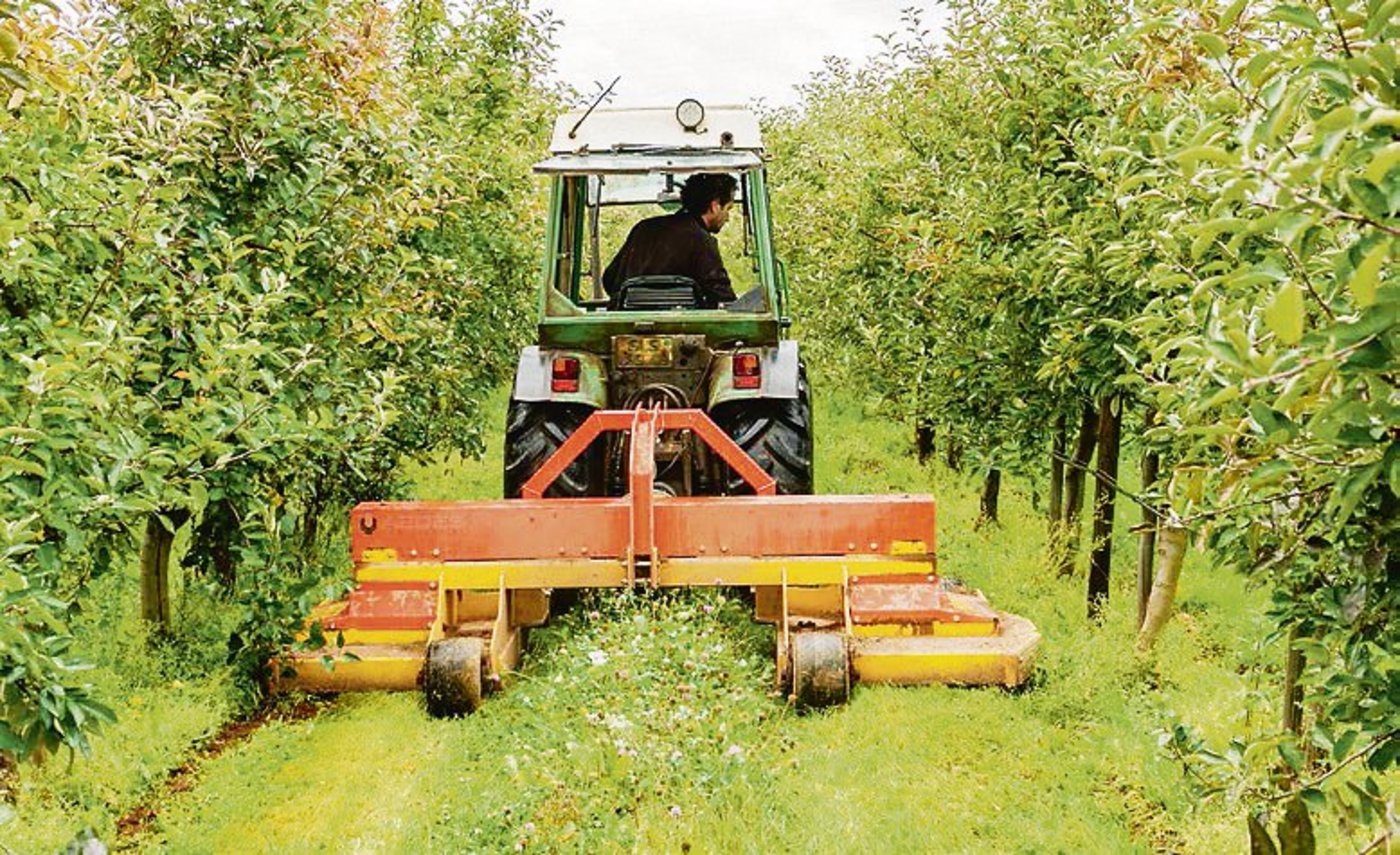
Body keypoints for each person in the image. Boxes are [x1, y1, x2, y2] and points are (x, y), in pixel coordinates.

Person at [602, 172, 738, 307]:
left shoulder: (643, 229)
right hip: (682, 325)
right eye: (728, 209)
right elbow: (721, 295)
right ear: (715, 206)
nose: (727, 218)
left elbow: (610, 279)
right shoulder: (703, 241)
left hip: (628, 323)